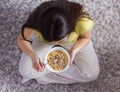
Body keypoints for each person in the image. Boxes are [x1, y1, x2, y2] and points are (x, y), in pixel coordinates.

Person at [17, 0, 100, 84]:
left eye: (59, 41)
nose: (55, 45)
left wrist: (75, 49)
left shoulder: (82, 22)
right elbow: (21, 39)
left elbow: (86, 38)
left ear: (71, 30)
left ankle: (41, 77)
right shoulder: (35, 22)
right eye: (51, 41)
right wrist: (32, 55)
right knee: (25, 72)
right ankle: (42, 73)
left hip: (73, 41)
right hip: (42, 41)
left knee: (91, 74)